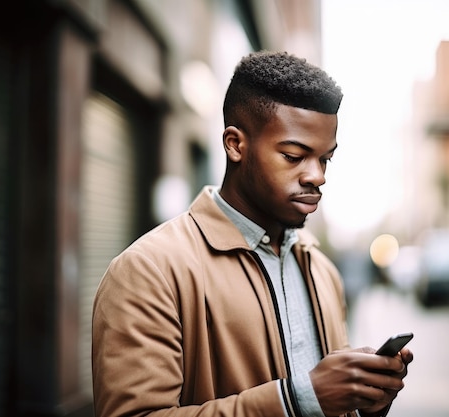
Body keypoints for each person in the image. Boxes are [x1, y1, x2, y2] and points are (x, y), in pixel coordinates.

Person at [91, 50, 413, 417]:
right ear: (235, 144)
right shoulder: (148, 272)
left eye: (325, 159)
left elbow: (326, 402)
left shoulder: (322, 271)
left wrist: (364, 400)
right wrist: (298, 400)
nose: (317, 176)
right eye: (294, 156)